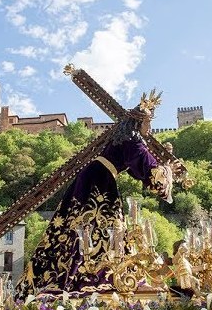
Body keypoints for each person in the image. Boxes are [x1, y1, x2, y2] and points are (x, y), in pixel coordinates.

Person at [15, 97, 178, 299]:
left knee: (76, 224)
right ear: (138, 122)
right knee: (106, 225)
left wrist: (161, 162)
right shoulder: (132, 140)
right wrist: (168, 170)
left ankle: (80, 269)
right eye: (148, 122)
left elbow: (140, 163)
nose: (150, 128)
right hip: (100, 181)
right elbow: (148, 171)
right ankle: (98, 274)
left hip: (91, 177)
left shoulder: (123, 138)